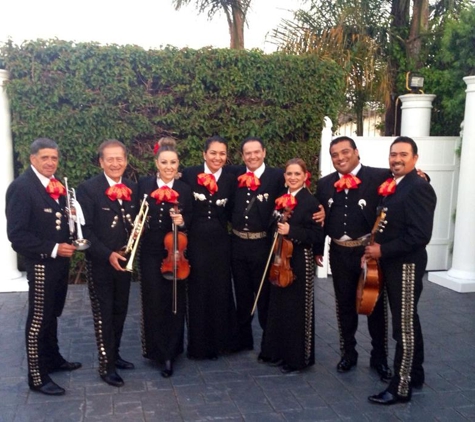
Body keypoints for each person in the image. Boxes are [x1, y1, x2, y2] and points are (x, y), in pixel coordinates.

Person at [314, 136, 393, 381]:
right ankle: (348, 353)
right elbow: (319, 219)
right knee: (344, 305)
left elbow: (408, 182)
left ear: (356, 152)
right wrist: (318, 248)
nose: (340, 158)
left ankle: (379, 357)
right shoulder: (324, 184)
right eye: (335, 155)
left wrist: (423, 175)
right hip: (338, 252)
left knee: (375, 306)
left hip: (368, 252)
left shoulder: (380, 176)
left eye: (345, 152)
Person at [6, 138, 81, 396]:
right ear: (32, 159)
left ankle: (53, 359)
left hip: (59, 262)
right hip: (41, 263)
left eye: (54, 158)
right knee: (38, 319)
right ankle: (37, 376)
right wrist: (53, 248)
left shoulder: (54, 183)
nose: (50, 162)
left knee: (52, 314)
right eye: (45, 158)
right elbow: (17, 235)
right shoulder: (22, 187)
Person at [366, 136, 436, 405]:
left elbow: (419, 235)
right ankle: (415, 373)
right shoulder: (395, 186)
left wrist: (381, 251)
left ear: (415, 158)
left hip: (406, 266)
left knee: (403, 328)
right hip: (393, 265)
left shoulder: (418, 187)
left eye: (403, 154)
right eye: (393, 154)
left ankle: (401, 387)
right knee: (409, 321)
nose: (397, 159)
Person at [76, 140, 138, 388]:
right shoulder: (88, 189)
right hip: (102, 263)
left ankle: (115, 354)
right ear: (101, 162)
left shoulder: (132, 187)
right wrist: (107, 254)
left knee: (120, 310)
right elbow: (85, 230)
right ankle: (106, 365)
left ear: (126, 160)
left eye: (119, 158)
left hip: (124, 262)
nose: (115, 163)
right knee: (104, 314)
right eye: (110, 159)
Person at [260, 158, 324, 373]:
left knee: (297, 309)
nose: (293, 178)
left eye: (297, 174)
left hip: (299, 259)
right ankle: (279, 352)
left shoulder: (311, 202)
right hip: (280, 258)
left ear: (305, 176)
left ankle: (299, 358)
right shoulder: (281, 200)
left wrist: (292, 232)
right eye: (289, 174)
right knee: (279, 307)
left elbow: (316, 234)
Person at [138, 137, 192, 378]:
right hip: (150, 252)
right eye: (164, 162)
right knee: (153, 301)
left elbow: (192, 221)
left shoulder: (184, 190)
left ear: (178, 164)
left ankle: (171, 353)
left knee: (174, 301)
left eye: (173, 162)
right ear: (156, 163)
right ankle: (154, 350)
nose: (169, 166)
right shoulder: (144, 185)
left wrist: (183, 222)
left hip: (176, 253)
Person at [181, 136, 237, 360]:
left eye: (222, 153)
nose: (217, 157)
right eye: (213, 153)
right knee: (198, 291)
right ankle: (200, 346)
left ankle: (223, 342)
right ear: (204, 154)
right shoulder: (188, 174)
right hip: (195, 242)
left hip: (221, 243)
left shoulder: (231, 178)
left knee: (221, 290)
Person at [229, 137, 285, 357]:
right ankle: (243, 340)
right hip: (237, 243)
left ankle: (269, 344)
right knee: (242, 294)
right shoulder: (233, 174)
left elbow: (294, 197)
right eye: (247, 153)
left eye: (256, 152)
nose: (252, 156)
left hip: (262, 244)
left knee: (265, 296)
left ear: (264, 152)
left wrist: (318, 208)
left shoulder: (277, 177)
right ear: (242, 156)